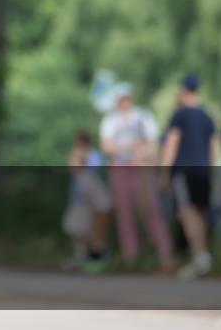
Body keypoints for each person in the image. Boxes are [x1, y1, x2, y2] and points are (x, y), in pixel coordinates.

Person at [99, 84, 174, 273]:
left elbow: (152, 144)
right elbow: (107, 147)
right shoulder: (110, 120)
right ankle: (130, 257)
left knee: (151, 209)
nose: (124, 102)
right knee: (124, 213)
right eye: (121, 99)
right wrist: (133, 146)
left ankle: (164, 254)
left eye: (127, 98)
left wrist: (127, 148)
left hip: (143, 169)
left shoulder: (143, 116)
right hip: (120, 170)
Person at [159, 73, 216, 279]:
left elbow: (172, 144)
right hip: (203, 170)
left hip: (184, 170)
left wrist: (164, 172)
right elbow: (213, 148)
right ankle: (203, 255)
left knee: (186, 212)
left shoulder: (180, 115)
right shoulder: (208, 116)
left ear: (183, 90)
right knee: (199, 212)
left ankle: (200, 256)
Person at [62, 130, 112, 273]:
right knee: (78, 231)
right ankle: (83, 257)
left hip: (92, 207)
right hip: (82, 204)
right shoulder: (82, 174)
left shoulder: (88, 172)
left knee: (91, 234)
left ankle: (94, 259)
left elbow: (102, 203)